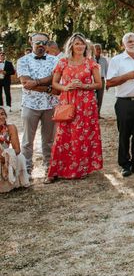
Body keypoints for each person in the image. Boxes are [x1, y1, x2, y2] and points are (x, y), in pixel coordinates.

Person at [47, 33, 103, 183]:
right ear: (71, 45)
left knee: (82, 136)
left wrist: (84, 86)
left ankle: (81, 168)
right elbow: (55, 83)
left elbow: (99, 84)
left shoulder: (91, 63)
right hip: (68, 102)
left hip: (86, 104)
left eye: (82, 44)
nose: (80, 46)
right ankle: (56, 170)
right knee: (62, 136)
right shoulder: (63, 62)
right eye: (77, 43)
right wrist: (66, 87)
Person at [106, 32, 134, 177]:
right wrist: (127, 76)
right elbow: (109, 82)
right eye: (129, 41)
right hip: (124, 102)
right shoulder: (117, 60)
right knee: (124, 134)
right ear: (123, 44)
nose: (133, 43)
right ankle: (125, 164)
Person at [17, 32, 59, 175]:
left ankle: (49, 167)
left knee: (49, 140)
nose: (41, 46)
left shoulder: (55, 61)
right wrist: (48, 88)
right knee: (28, 140)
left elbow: (55, 79)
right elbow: (25, 83)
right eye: (38, 43)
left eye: (44, 43)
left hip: (50, 105)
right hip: (30, 105)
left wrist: (37, 82)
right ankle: (26, 170)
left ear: (47, 44)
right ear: (31, 42)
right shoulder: (23, 61)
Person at [0, 107, 30, 192]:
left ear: (5, 116)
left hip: (6, 157)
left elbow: (17, 150)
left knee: (20, 157)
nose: (1, 117)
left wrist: (7, 156)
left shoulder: (11, 128)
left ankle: (15, 182)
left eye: (2, 114)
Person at [93, 44, 109, 116]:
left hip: (101, 79)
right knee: (92, 97)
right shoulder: (90, 59)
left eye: (99, 49)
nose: (98, 51)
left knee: (100, 97)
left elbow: (107, 72)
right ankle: (92, 113)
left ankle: (98, 114)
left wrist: (107, 82)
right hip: (92, 80)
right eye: (97, 49)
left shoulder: (104, 60)